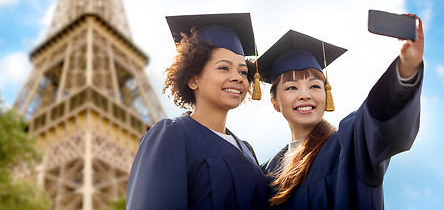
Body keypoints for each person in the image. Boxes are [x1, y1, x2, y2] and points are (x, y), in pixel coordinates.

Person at [259, 14, 424, 209]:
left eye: (314, 86)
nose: (305, 95)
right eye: (291, 88)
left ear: (326, 94)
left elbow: (377, 117)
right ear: (275, 103)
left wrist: (407, 67)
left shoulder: (350, 143)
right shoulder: (267, 171)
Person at [126, 13, 268, 209]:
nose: (237, 77)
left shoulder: (247, 150)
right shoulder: (172, 135)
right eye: (224, 68)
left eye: (243, 71)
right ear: (193, 79)